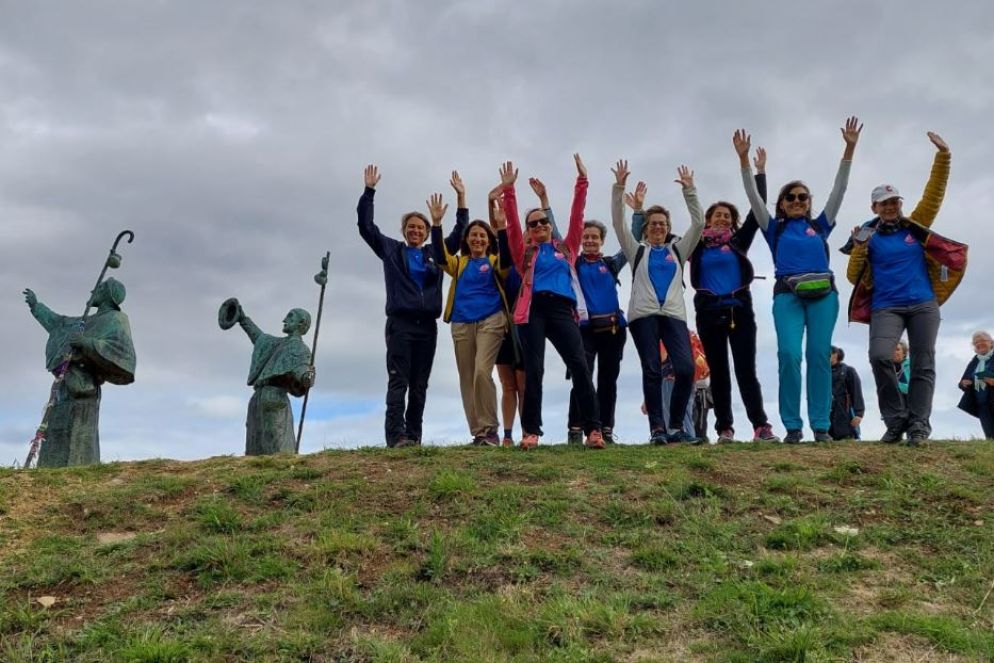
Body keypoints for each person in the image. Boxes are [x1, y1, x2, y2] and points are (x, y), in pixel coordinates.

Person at [733, 117, 862, 443]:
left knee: (819, 356)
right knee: (789, 355)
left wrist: (849, 149)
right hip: (787, 295)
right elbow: (753, 198)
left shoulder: (821, 225)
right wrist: (744, 161)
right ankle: (792, 426)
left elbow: (840, 190)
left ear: (809, 202)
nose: (797, 201)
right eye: (790, 197)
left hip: (824, 296)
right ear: (782, 204)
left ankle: (820, 426)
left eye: (802, 197)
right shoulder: (773, 227)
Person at [844, 132, 963, 446]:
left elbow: (934, 194)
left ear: (900, 204)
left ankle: (919, 426)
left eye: (895, 201)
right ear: (875, 206)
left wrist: (944, 156)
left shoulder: (915, 225)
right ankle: (896, 420)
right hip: (887, 307)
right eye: (884, 203)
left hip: (924, 304)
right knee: (880, 356)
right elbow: (852, 275)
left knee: (924, 363)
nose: (890, 207)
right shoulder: (869, 237)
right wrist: (859, 247)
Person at [357, 164, 466, 447]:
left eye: (421, 228)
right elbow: (366, 227)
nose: (416, 231)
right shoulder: (392, 250)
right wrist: (369, 192)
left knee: (420, 385)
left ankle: (414, 436)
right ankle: (396, 436)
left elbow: (459, 234)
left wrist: (461, 201)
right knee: (399, 382)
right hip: (400, 325)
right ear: (404, 231)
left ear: (428, 231)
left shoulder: (435, 253)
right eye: (411, 227)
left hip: (427, 327)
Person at [500, 155, 605, 449]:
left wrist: (582, 181)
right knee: (534, 370)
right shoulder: (526, 255)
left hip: (561, 310)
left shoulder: (566, 247)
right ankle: (531, 432)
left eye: (543, 221)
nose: (539, 226)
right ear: (529, 230)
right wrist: (510, 191)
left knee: (580, 366)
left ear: (549, 224)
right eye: (533, 224)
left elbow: (577, 216)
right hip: (533, 311)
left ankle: (593, 431)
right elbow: (511, 229)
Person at [688, 146, 779, 443]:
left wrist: (755, 169)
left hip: (740, 311)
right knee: (720, 373)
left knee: (745, 371)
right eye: (718, 215)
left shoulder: (739, 242)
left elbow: (758, 206)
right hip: (709, 313)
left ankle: (760, 426)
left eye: (728, 216)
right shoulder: (697, 245)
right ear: (708, 219)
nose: (723, 219)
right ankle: (724, 428)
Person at [611, 160, 705, 444]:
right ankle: (657, 430)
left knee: (686, 368)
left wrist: (689, 190)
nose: (658, 228)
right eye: (653, 224)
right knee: (651, 369)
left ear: (668, 227)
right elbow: (617, 222)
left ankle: (676, 426)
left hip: (674, 315)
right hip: (643, 317)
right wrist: (619, 188)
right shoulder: (636, 250)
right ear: (646, 228)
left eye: (662, 224)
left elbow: (699, 223)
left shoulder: (678, 249)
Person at [430, 173, 512, 446]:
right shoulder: (460, 263)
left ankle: (490, 429)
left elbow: (506, 264)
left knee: (481, 372)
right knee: (467, 378)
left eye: (482, 235)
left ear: (488, 240)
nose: (477, 239)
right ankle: (479, 433)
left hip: (491, 320)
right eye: (473, 235)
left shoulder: (493, 260)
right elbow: (440, 257)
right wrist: (437, 224)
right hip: (462, 323)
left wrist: (501, 228)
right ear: (467, 240)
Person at [23, 278, 136, 467]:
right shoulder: (85, 321)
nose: (93, 291)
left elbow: (120, 350)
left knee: (79, 435)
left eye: (99, 288)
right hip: (65, 385)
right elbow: (58, 323)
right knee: (56, 430)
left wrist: (86, 343)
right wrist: (36, 307)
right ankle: (49, 467)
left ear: (108, 294)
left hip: (84, 386)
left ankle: (77, 468)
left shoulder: (116, 319)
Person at [565, 219, 627, 446]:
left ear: (602, 241)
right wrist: (545, 203)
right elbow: (560, 236)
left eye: (595, 237)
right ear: (580, 240)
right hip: (585, 329)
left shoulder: (612, 263)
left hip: (613, 328)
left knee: (608, 381)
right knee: (582, 377)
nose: (590, 240)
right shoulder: (573, 262)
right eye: (586, 237)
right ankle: (575, 428)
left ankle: (606, 429)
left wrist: (638, 211)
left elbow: (630, 244)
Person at [233, 305, 315, 455]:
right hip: (258, 399)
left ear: (301, 323)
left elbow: (302, 374)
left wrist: (307, 377)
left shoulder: (300, 350)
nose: (285, 319)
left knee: (276, 449)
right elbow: (258, 337)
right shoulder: (276, 343)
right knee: (255, 447)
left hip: (274, 397)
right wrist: (242, 319)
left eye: (290, 316)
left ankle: (280, 476)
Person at [958, 331, 994, 439]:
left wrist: (991, 379)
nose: (979, 344)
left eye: (982, 341)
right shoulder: (975, 360)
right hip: (982, 404)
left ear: (991, 343)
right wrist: (964, 383)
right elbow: (964, 380)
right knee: (990, 437)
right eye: (975, 342)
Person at [829, 346, 865, 441]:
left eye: (829, 353)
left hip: (845, 413)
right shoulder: (821, 372)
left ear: (836, 355)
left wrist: (859, 413)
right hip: (827, 415)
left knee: (846, 439)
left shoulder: (848, 371)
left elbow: (856, 391)